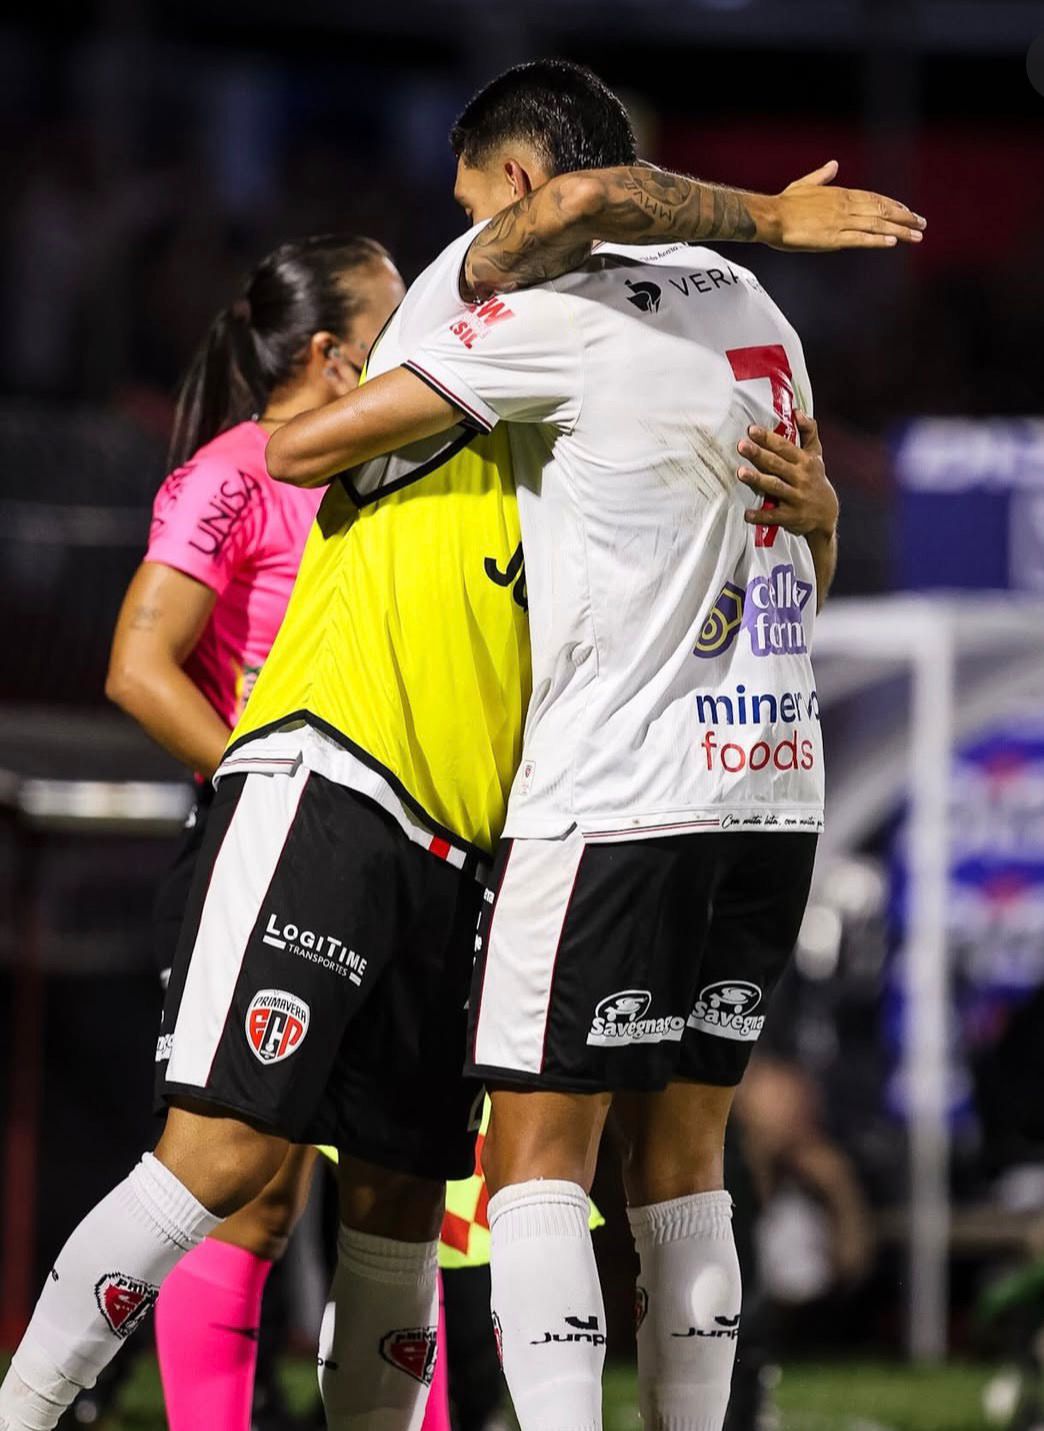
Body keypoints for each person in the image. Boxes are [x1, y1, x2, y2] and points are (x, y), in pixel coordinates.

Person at [0, 62, 923, 1431]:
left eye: (453, 214)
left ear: (515, 184)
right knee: (231, 1165)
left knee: (399, 1197)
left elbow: (737, 539)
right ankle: (29, 1403)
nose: (433, 262)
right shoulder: (583, 320)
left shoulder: (535, 345)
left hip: (494, 831)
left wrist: (812, 503)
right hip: (349, 784)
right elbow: (260, 499)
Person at [101, 234, 404, 1431]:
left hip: (396, 860)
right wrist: (267, 784)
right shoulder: (234, 472)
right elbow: (139, 666)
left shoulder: (393, 463)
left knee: (402, 1202)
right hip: (273, 854)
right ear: (331, 356)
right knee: (247, 1199)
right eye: (393, 327)